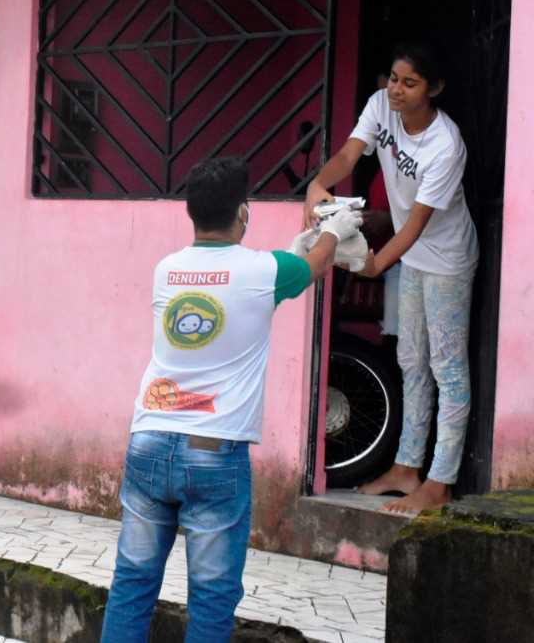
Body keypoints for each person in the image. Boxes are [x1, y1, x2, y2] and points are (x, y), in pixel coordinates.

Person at [101, 156, 359, 643]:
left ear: (191, 213)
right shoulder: (264, 270)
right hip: (214, 452)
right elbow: (316, 265)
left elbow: (246, 279)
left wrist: (299, 251)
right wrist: (335, 228)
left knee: (132, 582)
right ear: (244, 211)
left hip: (149, 441)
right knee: (213, 595)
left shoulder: (167, 269)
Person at [305, 44, 478, 513]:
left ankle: (439, 481)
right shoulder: (382, 105)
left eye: (410, 83)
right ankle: (405, 467)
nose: (396, 90)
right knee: (410, 358)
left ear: (434, 89)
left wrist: (376, 265)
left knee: (448, 368)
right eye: (394, 79)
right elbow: (348, 154)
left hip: (445, 260)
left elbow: (419, 223)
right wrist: (319, 185)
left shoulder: (446, 145)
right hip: (412, 253)